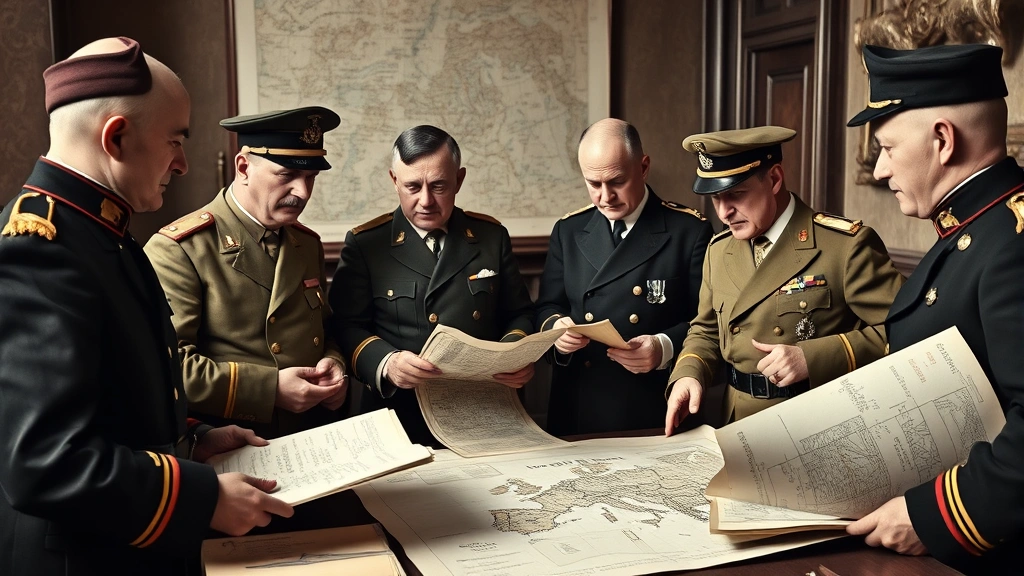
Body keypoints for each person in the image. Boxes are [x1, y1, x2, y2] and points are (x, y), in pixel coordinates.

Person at [0, 38, 292, 576]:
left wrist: (193, 442)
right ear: (115, 137)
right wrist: (201, 498)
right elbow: (44, 462)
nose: (182, 163)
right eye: (175, 141)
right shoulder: (39, 246)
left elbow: (114, 399)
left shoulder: (99, 229)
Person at [844, 43, 1024, 572]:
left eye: (887, 147)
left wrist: (934, 516)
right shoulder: (976, 227)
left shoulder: (1012, 242)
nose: (880, 169)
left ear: (943, 140)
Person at [664, 126, 904, 431]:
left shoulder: (845, 247)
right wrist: (689, 372)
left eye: (736, 194)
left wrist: (812, 358)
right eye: (715, 198)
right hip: (734, 423)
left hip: (815, 426)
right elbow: (706, 330)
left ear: (775, 179)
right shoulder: (719, 249)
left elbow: (903, 330)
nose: (724, 212)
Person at [145, 107, 348, 439]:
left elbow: (326, 332)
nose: (303, 192)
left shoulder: (307, 243)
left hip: (313, 435)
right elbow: (168, 366)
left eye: (311, 177)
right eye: (287, 175)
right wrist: (270, 390)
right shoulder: (181, 249)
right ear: (243, 168)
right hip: (233, 441)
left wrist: (334, 364)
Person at [328, 125, 535, 446]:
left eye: (438, 186)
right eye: (412, 186)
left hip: (485, 410)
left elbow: (520, 313)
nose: (425, 201)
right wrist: (386, 363)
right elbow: (345, 326)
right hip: (399, 417)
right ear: (394, 180)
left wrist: (514, 354)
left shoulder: (491, 237)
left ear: (459, 180)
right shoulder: (366, 244)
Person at [535, 118, 713, 435]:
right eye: (594, 184)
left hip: (652, 405)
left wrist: (664, 347)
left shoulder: (689, 231)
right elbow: (547, 306)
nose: (606, 196)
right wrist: (556, 331)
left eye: (617, 181)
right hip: (580, 404)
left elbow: (709, 323)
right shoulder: (569, 230)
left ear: (643, 168)